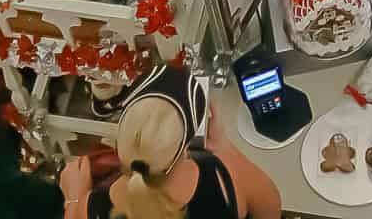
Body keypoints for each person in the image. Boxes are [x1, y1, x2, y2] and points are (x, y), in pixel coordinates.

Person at [60, 68, 281, 219]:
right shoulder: (226, 177)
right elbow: (270, 210)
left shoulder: (93, 209)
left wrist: (73, 200)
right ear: (184, 148)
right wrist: (224, 147)